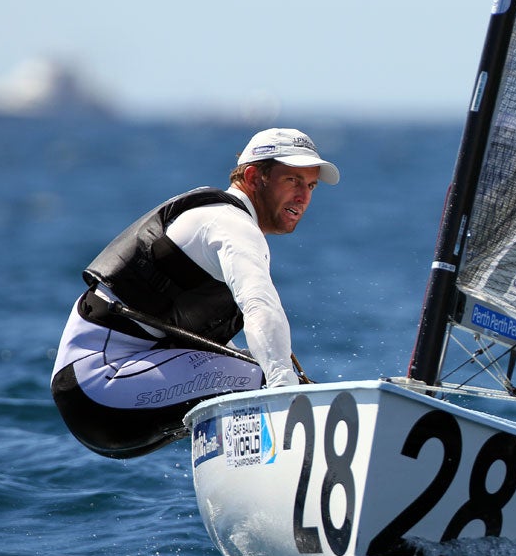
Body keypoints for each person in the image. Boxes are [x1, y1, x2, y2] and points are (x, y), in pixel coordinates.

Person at [50, 127, 339, 459]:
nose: (303, 197)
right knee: (266, 381)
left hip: (98, 391)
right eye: (292, 181)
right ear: (253, 176)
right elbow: (260, 306)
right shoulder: (230, 225)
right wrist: (285, 394)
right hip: (100, 384)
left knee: (258, 376)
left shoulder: (223, 221)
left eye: (310, 185)